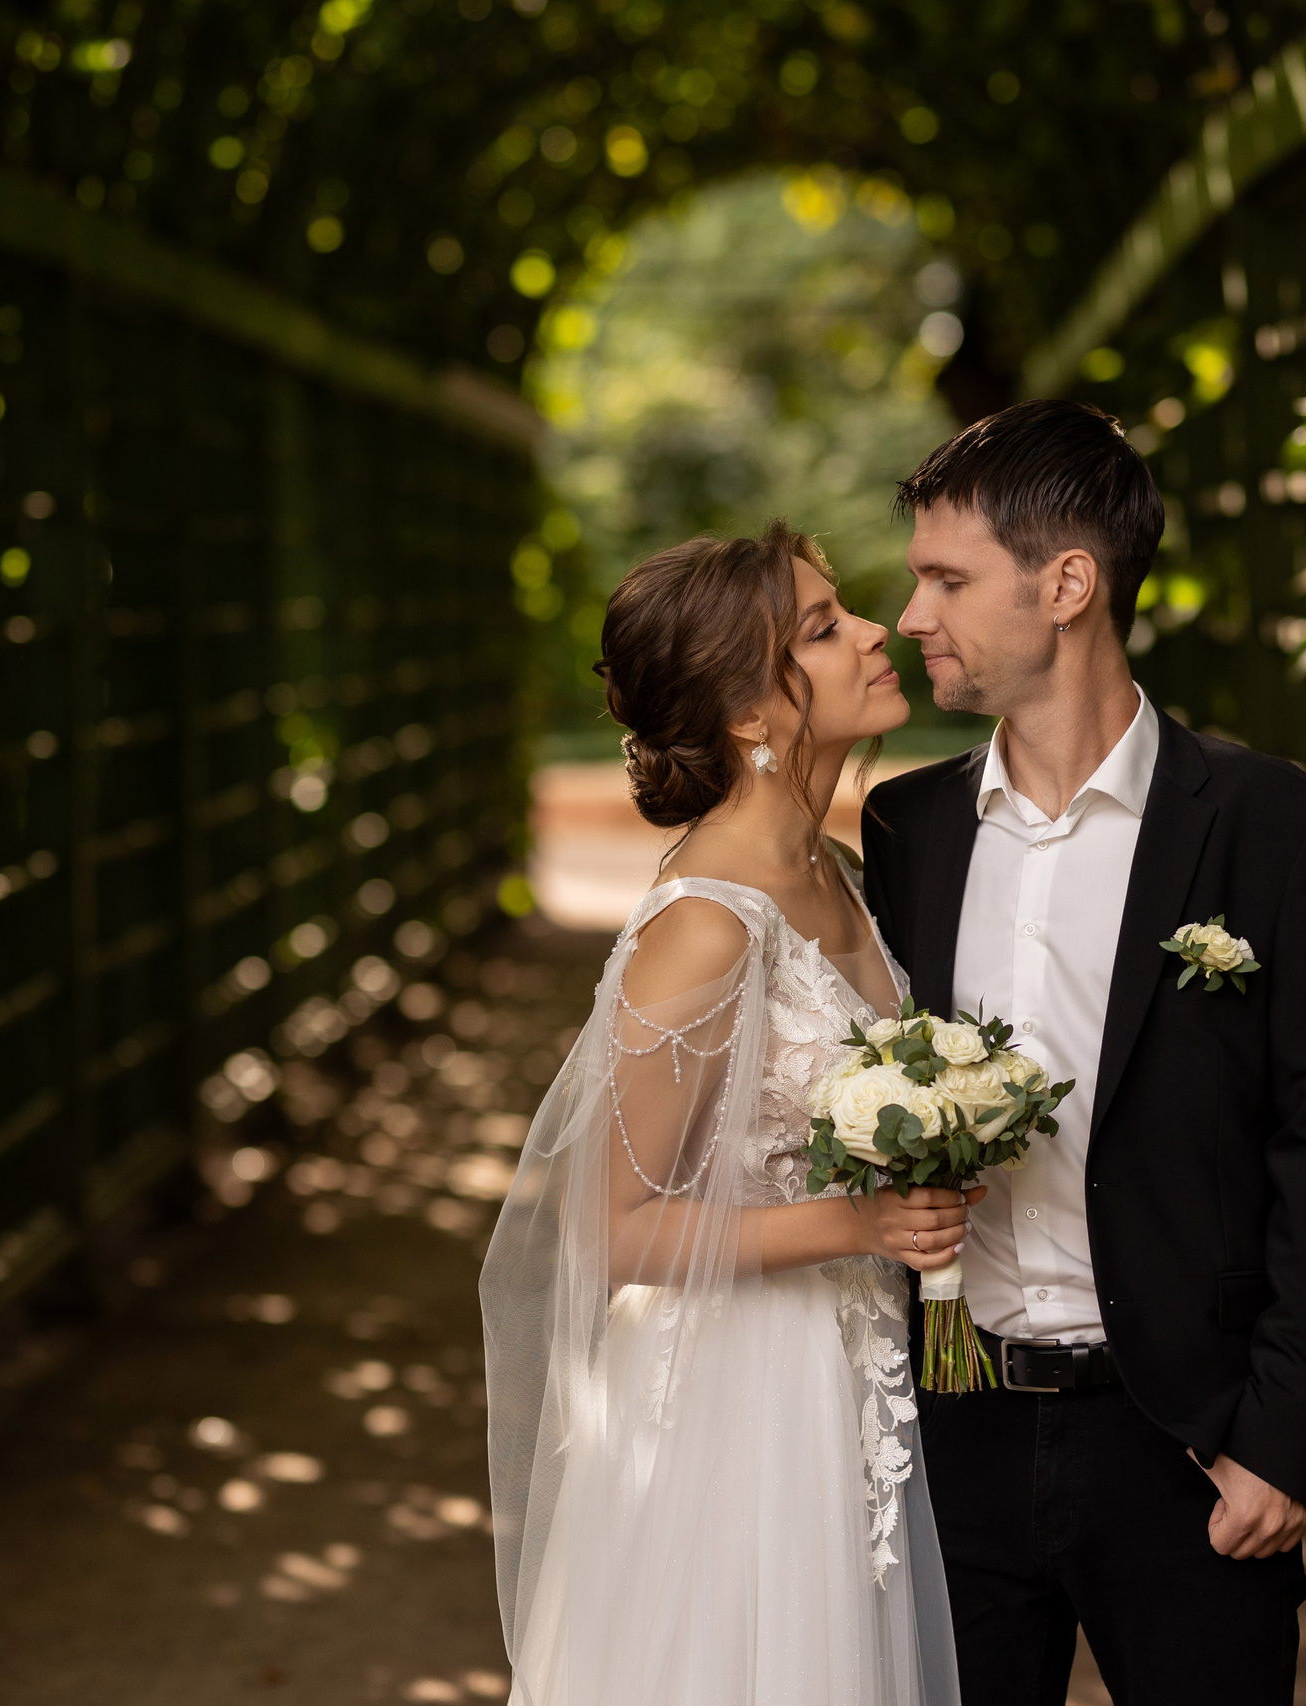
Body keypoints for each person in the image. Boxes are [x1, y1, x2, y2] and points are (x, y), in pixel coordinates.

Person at [861, 399, 1306, 1706]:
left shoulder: (1281, 830)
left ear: (1068, 583)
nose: (909, 615)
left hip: (1187, 1445)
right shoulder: (906, 829)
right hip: (953, 1431)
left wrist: (1282, 1441)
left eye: (947, 578)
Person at [481, 521, 968, 1706]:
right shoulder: (705, 923)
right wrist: (861, 1225)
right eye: (820, 626)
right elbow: (617, 1227)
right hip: (739, 1403)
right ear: (750, 711)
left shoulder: (836, 867)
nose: (872, 630)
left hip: (850, 1372)